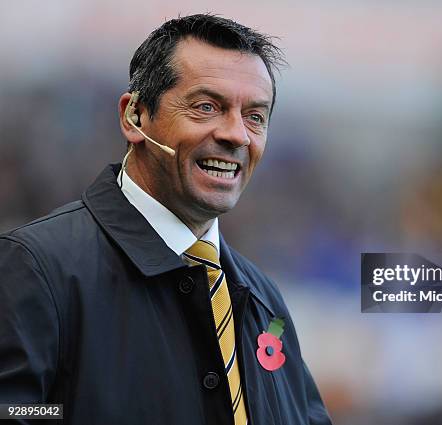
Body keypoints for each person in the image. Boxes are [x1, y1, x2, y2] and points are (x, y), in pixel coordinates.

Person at [0, 14, 332, 425]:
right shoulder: (37, 268)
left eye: (255, 117)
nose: (237, 135)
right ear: (135, 116)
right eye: (207, 107)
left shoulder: (265, 301)